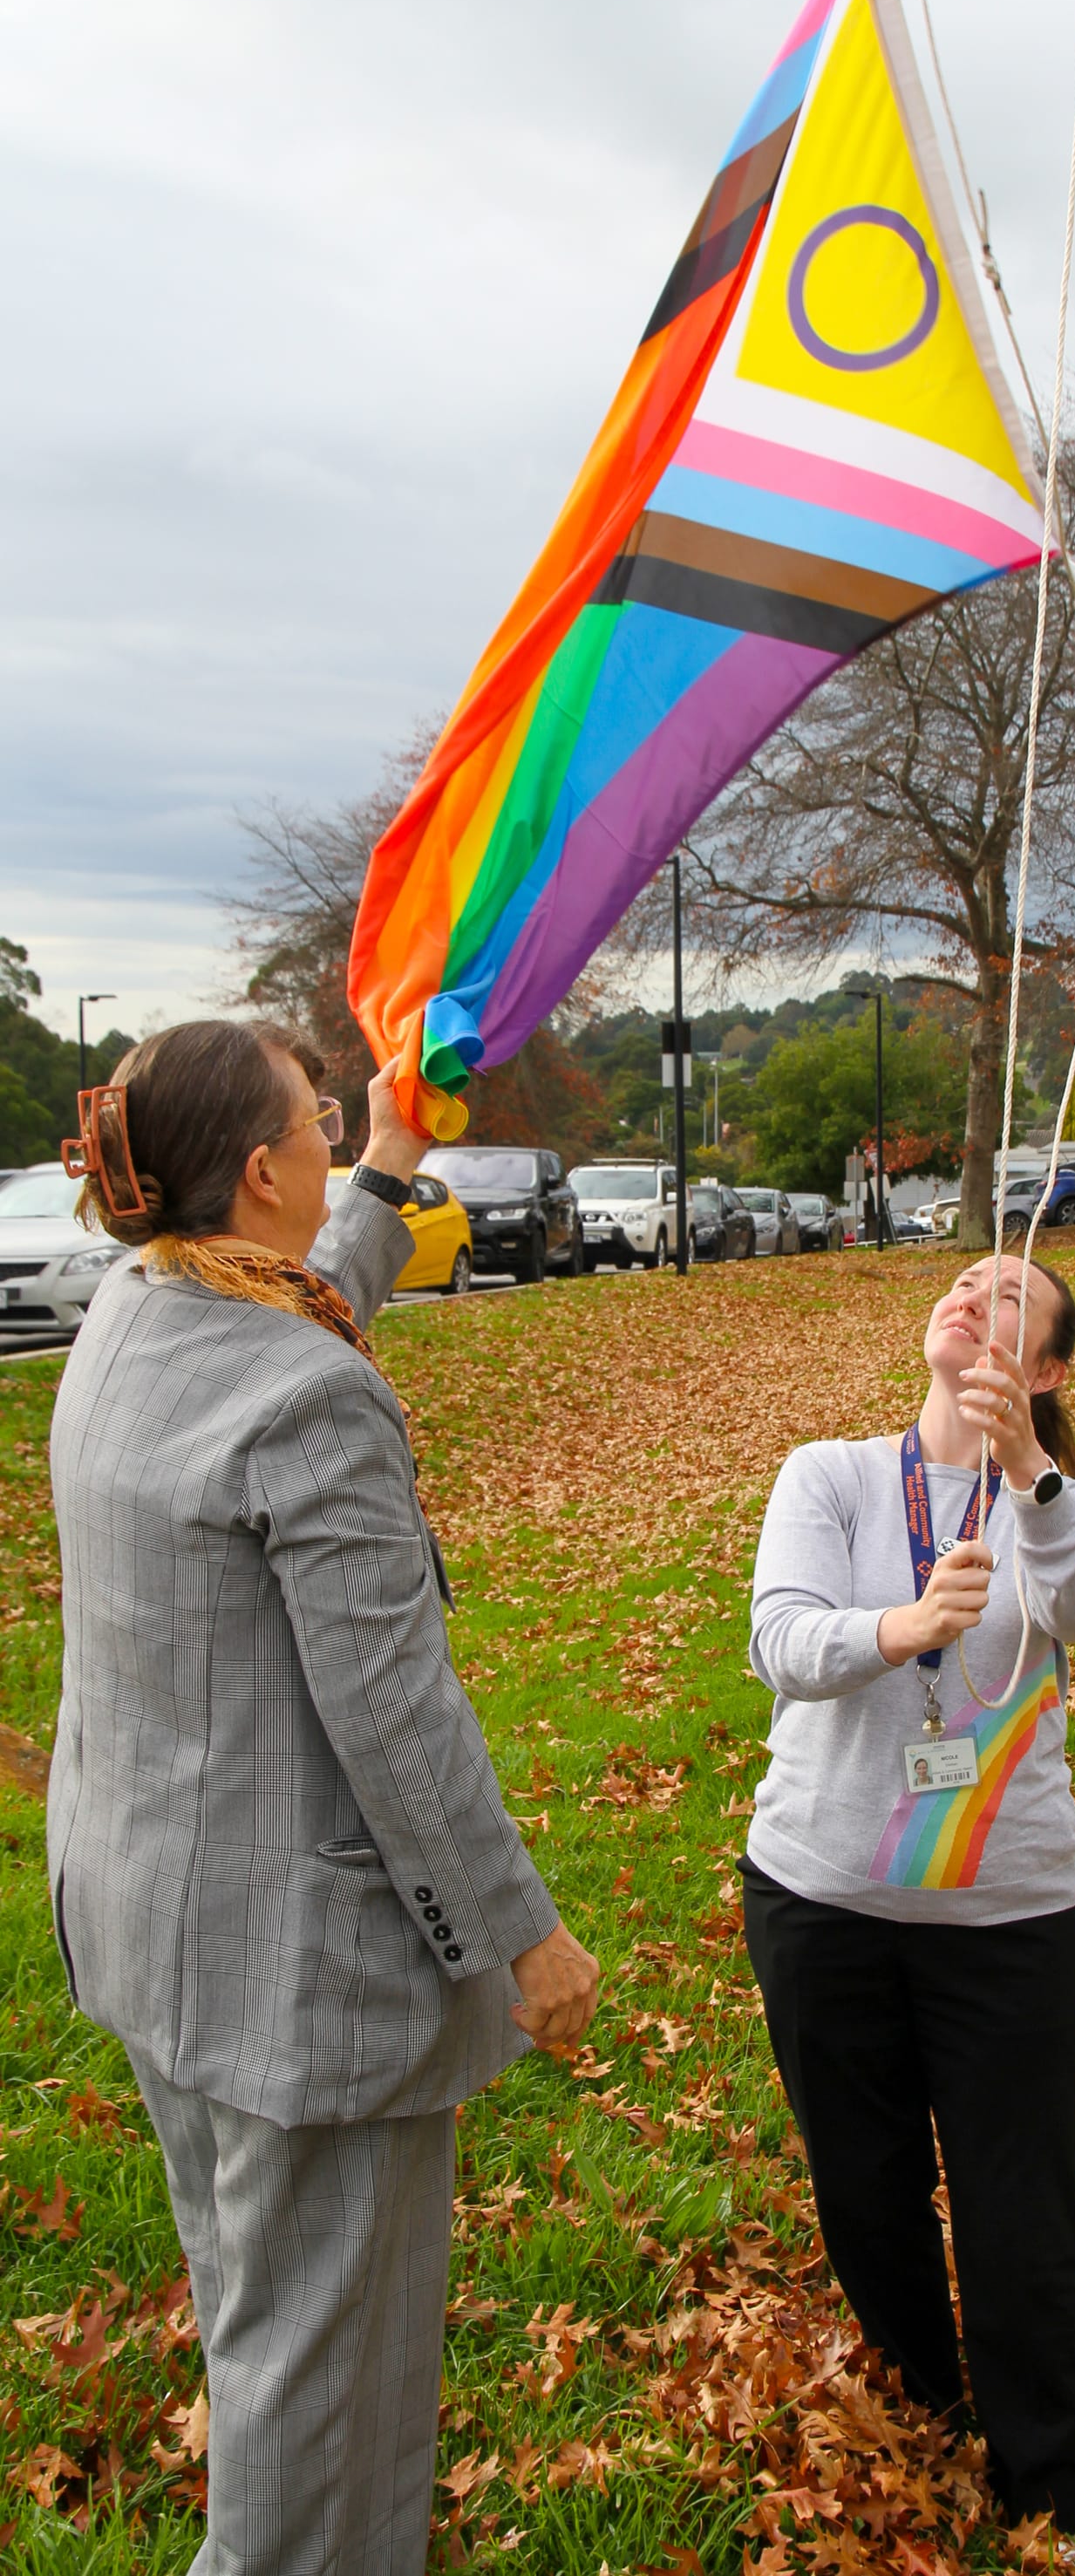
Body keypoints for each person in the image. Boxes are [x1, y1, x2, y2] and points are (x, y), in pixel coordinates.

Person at [48, 1021, 600, 2576]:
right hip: (304, 1996)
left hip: (161, 1937)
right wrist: (521, 1939)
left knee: (261, 2328)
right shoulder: (305, 1398)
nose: (325, 1126)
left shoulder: (135, 1305)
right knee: (322, 2399)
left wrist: (387, 1161)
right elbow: (398, 1720)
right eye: (313, 1116)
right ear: (260, 1169)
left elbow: (303, 1312)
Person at [740, 1252, 1075, 2538]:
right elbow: (781, 1639)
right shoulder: (834, 1475)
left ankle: (1048, 2490)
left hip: (1003, 1922)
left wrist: (1028, 1476)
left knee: (1020, 2209)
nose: (975, 1291)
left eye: (1011, 1293)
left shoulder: (1060, 1504)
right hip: (823, 1902)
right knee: (867, 2195)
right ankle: (925, 2414)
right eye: (965, 1277)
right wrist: (899, 1627)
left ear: (1049, 1367)